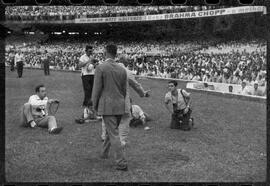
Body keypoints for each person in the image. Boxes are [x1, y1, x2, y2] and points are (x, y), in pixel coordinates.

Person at [92, 44, 129, 171]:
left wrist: (94, 105)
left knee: (113, 134)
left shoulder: (101, 68)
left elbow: (96, 90)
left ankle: (121, 162)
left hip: (107, 105)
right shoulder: (122, 69)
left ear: (105, 52)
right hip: (120, 104)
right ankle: (104, 153)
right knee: (110, 131)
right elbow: (124, 90)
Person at [100, 58, 150, 145]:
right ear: (126, 63)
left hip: (108, 101)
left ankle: (105, 136)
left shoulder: (106, 71)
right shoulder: (127, 72)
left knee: (107, 120)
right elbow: (136, 86)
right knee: (124, 120)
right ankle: (121, 141)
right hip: (122, 102)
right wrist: (143, 94)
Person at [77, 45, 99, 122]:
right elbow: (80, 65)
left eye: (91, 51)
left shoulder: (93, 57)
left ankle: (88, 103)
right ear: (86, 51)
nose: (91, 52)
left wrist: (95, 64)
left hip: (92, 74)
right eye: (89, 51)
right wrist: (89, 61)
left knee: (92, 89)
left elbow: (93, 66)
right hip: (85, 74)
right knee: (87, 89)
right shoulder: (82, 57)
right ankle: (87, 104)